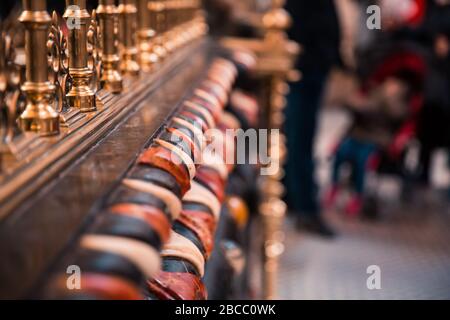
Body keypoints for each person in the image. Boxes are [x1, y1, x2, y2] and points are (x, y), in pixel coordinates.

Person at [284, 0, 342, 237]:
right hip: (304, 73)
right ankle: (304, 209)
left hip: (311, 71)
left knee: (300, 140)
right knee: (300, 142)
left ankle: (296, 200)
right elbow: (299, 29)